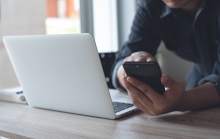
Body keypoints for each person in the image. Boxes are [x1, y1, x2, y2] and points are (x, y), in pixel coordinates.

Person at [111, 0, 220, 116]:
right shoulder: (151, 5)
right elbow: (121, 63)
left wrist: (182, 101)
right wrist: (127, 70)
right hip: (199, 91)